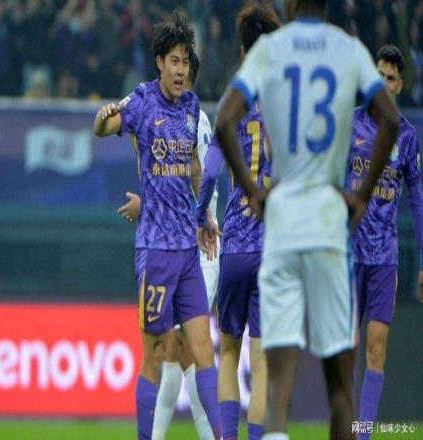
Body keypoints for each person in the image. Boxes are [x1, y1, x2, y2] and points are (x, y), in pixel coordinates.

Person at [213, 0, 400, 439]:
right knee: (340, 389)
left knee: (277, 383)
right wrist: (360, 197)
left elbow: (224, 120)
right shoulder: (349, 49)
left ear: (293, 4)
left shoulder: (269, 50)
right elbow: (391, 119)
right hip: (330, 226)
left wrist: (253, 190)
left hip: (281, 226)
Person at [93, 12, 222, 440]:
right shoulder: (142, 101)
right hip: (155, 252)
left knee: (203, 352)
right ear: (159, 63)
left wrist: (204, 215)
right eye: (174, 62)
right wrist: (103, 117)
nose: (181, 70)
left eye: (185, 62)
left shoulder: (191, 107)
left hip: (187, 251)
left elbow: (196, 168)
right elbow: (104, 128)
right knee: (157, 354)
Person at [196, 4, 279, 440]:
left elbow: (210, 173)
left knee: (228, 352)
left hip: (236, 247)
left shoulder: (232, 101)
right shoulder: (284, 103)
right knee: (261, 363)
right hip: (272, 249)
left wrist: (202, 216)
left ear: (243, 50)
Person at [347, 44, 423, 440]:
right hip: (349, 256)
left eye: (391, 78)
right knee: (346, 349)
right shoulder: (351, 125)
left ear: (399, 85)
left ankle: (362, 435)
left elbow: (418, 200)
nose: (383, 82)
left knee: (376, 349)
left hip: (384, 258)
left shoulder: (407, 137)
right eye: (378, 75)